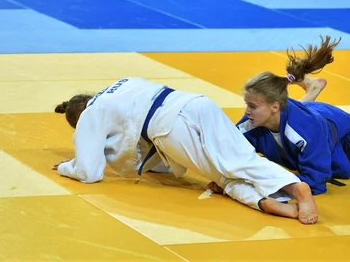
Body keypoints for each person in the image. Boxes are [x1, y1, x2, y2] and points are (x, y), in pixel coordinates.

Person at [52, 77, 319, 224]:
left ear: (78, 119)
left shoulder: (91, 115)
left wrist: (68, 166)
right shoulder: (122, 83)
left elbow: (88, 172)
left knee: (223, 174)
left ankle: (284, 194)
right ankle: (283, 196)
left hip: (168, 127)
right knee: (240, 159)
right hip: (196, 103)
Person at [236, 36, 350, 196]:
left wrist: (263, 183)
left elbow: (316, 182)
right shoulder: (252, 121)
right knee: (296, 132)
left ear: (274, 107)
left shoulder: (305, 132)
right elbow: (227, 151)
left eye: (252, 106)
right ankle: (313, 87)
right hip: (307, 115)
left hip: (338, 125)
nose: (246, 112)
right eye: (247, 105)